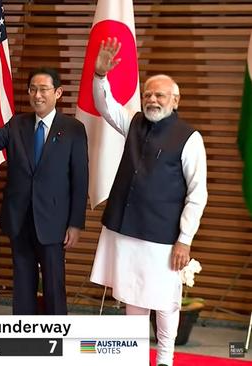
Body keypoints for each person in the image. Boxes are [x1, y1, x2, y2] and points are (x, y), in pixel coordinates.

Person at [89, 38, 208, 366]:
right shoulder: (134, 120)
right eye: (148, 95)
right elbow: (105, 105)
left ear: (175, 99)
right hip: (126, 230)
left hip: (163, 236)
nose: (152, 100)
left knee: (165, 301)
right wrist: (101, 75)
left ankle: (166, 360)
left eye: (160, 95)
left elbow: (198, 193)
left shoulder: (189, 137)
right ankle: (135, 358)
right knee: (132, 297)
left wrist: (185, 239)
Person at [0, 67, 89, 315]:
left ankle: (56, 338)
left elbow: (80, 179)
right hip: (19, 219)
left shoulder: (73, 128)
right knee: (23, 285)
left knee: (54, 286)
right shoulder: (17, 123)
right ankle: (24, 339)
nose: (37, 95)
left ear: (58, 93)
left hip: (54, 222)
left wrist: (75, 223)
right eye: (33, 89)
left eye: (43, 89)